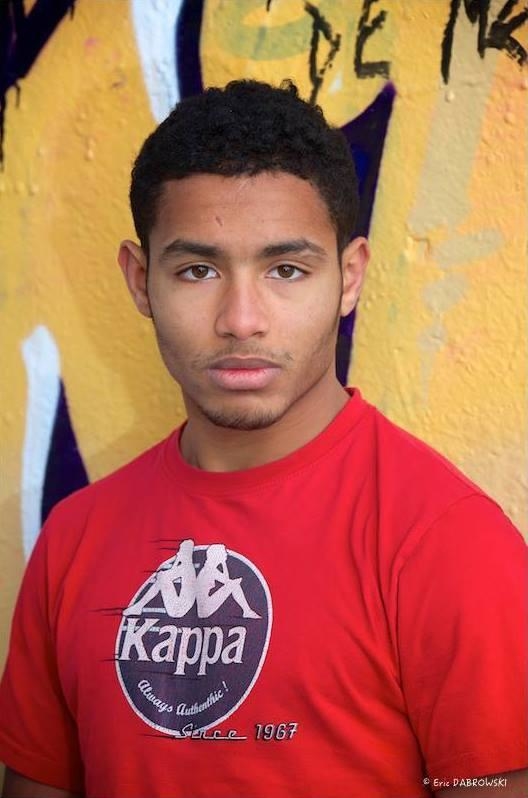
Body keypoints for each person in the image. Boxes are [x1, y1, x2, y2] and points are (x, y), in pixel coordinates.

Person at [0, 79, 526, 798]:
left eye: (286, 270)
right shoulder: (74, 540)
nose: (241, 319)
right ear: (141, 281)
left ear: (348, 278)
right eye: (198, 270)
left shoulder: (446, 543)